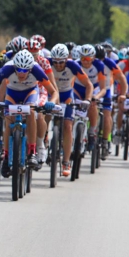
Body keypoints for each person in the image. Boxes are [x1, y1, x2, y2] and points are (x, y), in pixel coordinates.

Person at [0, 50, 59, 178]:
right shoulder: (7, 69)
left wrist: (51, 102)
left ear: (30, 68)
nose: (21, 74)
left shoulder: (36, 70)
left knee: (31, 111)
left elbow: (53, 92)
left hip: (30, 93)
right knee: (9, 119)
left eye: (25, 71)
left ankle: (32, 152)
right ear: (14, 67)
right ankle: (6, 157)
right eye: (18, 70)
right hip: (12, 93)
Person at [49, 43, 93, 176]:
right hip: (52, 94)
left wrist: (88, 100)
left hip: (67, 95)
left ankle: (66, 162)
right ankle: (43, 141)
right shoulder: (47, 64)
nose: (58, 65)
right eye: (55, 62)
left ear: (66, 59)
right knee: (43, 115)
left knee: (68, 126)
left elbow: (88, 84)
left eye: (61, 62)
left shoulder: (73, 65)